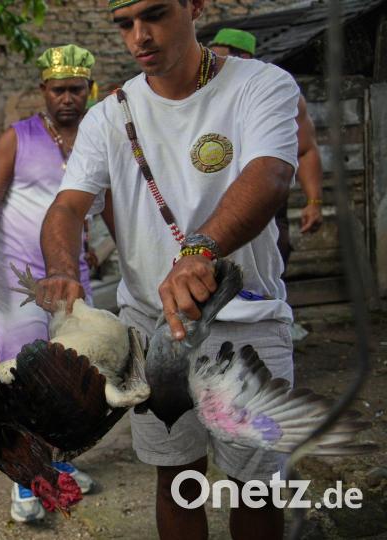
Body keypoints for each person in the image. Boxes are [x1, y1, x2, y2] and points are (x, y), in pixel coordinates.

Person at [38, 1, 300, 539]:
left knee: (256, 486)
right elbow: (67, 206)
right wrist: (62, 269)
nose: (140, 35)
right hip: (153, 331)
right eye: (125, 24)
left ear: (194, 5)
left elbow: (270, 175)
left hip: (247, 321)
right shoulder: (109, 115)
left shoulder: (261, 85)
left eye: (154, 14)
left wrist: (198, 252)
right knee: (176, 479)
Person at [0, 44, 98, 523]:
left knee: (71, 377)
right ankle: (26, 481)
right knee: (24, 377)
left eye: (76, 89)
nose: (67, 98)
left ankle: (60, 464)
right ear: (43, 90)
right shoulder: (17, 138)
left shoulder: (95, 138)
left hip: (72, 283)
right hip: (18, 280)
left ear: (90, 89)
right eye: (58, 89)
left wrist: (95, 248)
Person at [209, 27, 325, 267]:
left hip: (266, 211)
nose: (213, 63)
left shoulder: (275, 93)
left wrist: (314, 203)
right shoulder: (202, 93)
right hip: (212, 210)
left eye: (219, 56)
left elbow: (305, 149)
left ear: (243, 57)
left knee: (269, 264)